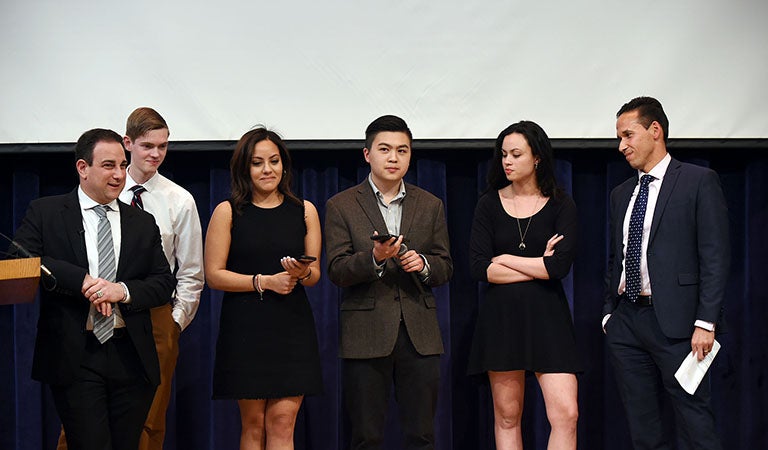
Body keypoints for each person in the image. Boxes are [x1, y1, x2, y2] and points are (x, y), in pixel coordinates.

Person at [12, 128, 175, 450]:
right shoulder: (46, 212)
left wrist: (122, 291)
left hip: (131, 354)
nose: (118, 175)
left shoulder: (142, 222)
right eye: (108, 165)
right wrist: (81, 280)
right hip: (76, 354)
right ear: (83, 168)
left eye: (122, 166)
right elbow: (20, 259)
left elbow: (163, 282)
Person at [56, 108, 205, 450]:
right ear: (128, 144)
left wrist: (174, 322)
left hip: (153, 317)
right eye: (147, 146)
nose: (155, 154)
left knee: (150, 419)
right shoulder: (97, 191)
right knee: (79, 421)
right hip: (93, 314)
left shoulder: (179, 200)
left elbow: (191, 272)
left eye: (163, 146)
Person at [603, 96, 729, 449]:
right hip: (627, 322)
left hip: (679, 324)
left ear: (655, 130)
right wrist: (608, 315)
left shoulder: (697, 181)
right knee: (643, 430)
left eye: (628, 135)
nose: (621, 146)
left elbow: (715, 256)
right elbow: (616, 257)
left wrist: (706, 321)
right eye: (619, 137)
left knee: (695, 424)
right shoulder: (620, 193)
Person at [324, 115, 453, 450]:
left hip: (419, 333)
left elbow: (445, 266)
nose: (394, 158)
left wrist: (423, 264)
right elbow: (337, 270)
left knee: (421, 435)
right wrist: (376, 258)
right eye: (385, 149)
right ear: (367, 154)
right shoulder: (341, 205)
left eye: (402, 150)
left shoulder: (430, 205)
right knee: (366, 436)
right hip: (365, 331)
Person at [205, 127, 323, 450]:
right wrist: (264, 282)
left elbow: (315, 274)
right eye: (257, 163)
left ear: (284, 165)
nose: (267, 169)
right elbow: (213, 275)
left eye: (274, 161)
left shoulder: (304, 210)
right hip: (245, 328)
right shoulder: (227, 212)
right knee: (254, 425)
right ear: (245, 167)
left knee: (283, 423)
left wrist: (300, 272)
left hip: (292, 326)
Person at [467, 120, 581, 449]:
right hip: (501, 318)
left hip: (549, 317)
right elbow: (479, 268)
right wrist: (537, 265)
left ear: (537, 158)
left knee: (566, 414)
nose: (507, 161)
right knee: (506, 415)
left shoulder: (562, 204)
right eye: (503, 154)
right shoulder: (488, 204)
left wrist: (504, 258)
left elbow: (558, 267)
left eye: (516, 154)